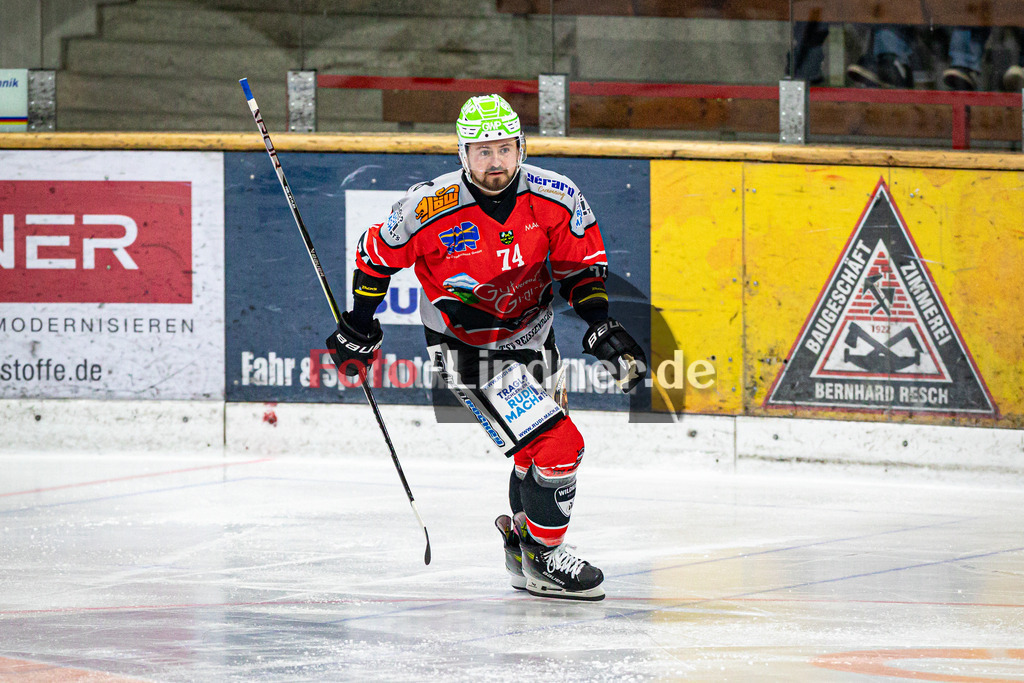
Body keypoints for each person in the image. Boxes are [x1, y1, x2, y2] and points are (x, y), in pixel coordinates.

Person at [325, 94, 648, 602]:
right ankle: (545, 559)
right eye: (482, 151)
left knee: (531, 456)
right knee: (561, 447)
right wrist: (360, 326)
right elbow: (374, 257)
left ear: (520, 147)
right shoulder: (428, 207)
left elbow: (579, 269)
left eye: (504, 148)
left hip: (535, 337)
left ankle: (522, 548)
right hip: (466, 351)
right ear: (462, 154)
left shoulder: (557, 197)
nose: (495, 162)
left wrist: (600, 324)